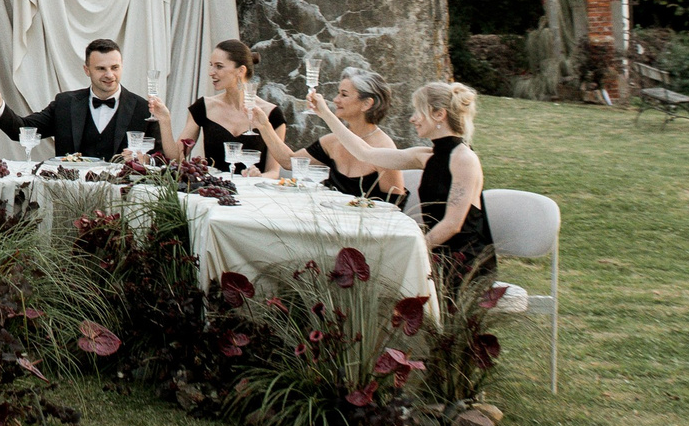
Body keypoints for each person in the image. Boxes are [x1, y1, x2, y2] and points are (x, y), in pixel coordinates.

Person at [303, 79, 495, 283]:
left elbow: (452, 225)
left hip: (463, 266)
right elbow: (365, 152)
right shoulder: (427, 156)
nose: (413, 119)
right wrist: (325, 114)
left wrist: (411, 251)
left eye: (418, 112)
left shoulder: (464, 159)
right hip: (435, 255)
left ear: (439, 115)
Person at [0, 38, 176, 159]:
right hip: (71, 198)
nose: (109, 74)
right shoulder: (65, 104)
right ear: (87, 70)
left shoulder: (143, 108)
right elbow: (23, 130)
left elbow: (161, 158)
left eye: (114, 68)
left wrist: (145, 160)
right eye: (101, 68)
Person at [180, 39, 290, 174]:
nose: (211, 72)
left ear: (241, 71)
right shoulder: (203, 107)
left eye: (219, 66)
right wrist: (165, 120)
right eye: (211, 65)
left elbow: (273, 172)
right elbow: (177, 156)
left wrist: (258, 176)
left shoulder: (272, 114)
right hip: (213, 191)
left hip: (252, 192)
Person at [304, 70, 405, 201]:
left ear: (367, 104)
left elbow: (394, 203)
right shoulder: (332, 141)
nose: (335, 100)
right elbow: (288, 161)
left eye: (344, 95)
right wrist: (268, 123)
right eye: (338, 93)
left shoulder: (385, 148)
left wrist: (325, 114)